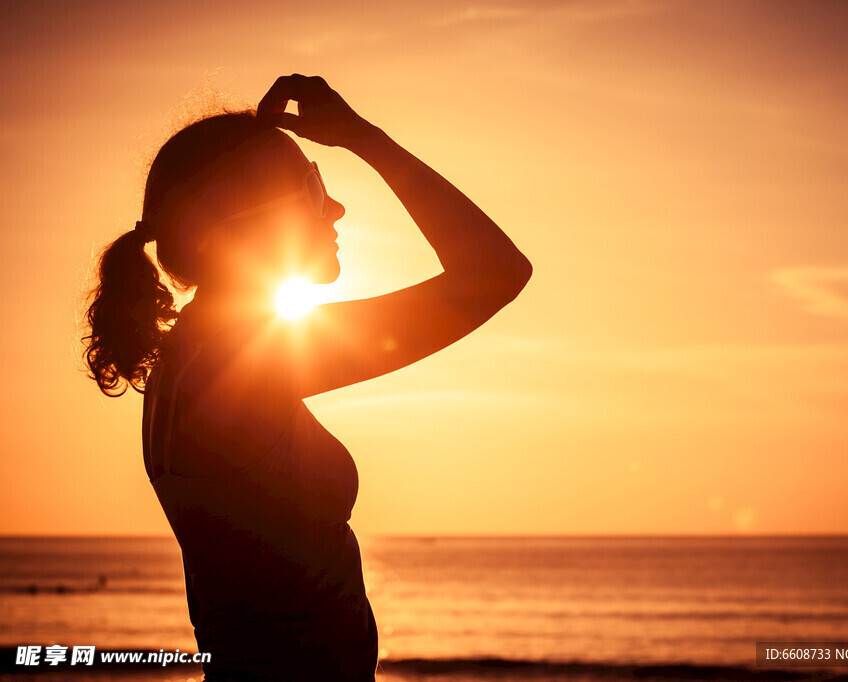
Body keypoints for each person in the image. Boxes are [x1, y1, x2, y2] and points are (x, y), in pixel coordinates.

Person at [81, 74, 532, 681]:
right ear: (249, 220)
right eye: (314, 187)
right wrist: (363, 138)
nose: (337, 206)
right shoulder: (241, 356)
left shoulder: (193, 353)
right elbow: (497, 273)